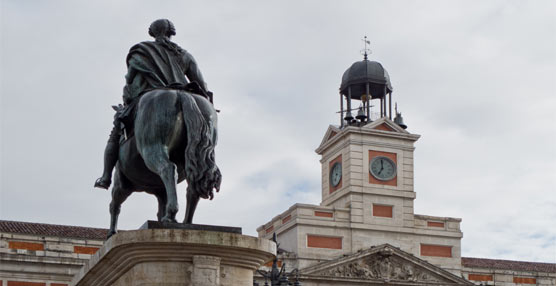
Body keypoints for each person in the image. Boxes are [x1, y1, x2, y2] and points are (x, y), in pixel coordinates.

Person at [94, 19, 210, 189]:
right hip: (188, 94)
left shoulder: (141, 51)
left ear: (152, 32)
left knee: (116, 130)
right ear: (172, 32)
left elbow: (129, 79)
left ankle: (106, 177)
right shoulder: (186, 55)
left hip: (148, 97)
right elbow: (201, 84)